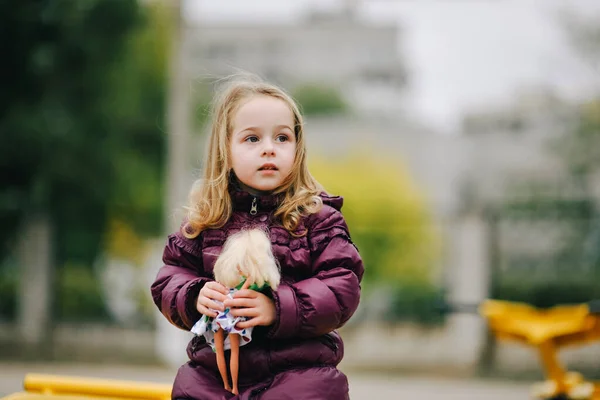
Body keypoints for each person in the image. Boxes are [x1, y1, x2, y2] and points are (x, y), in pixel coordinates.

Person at [151, 76, 364, 400]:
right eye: (252, 139)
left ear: (297, 146)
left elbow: (341, 287)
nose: (269, 148)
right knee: (188, 388)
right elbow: (169, 276)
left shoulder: (317, 220)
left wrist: (277, 307)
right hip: (215, 374)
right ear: (226, 150)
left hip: (299, 374)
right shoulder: (206, 219)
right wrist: (194, 295)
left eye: (282, 137)